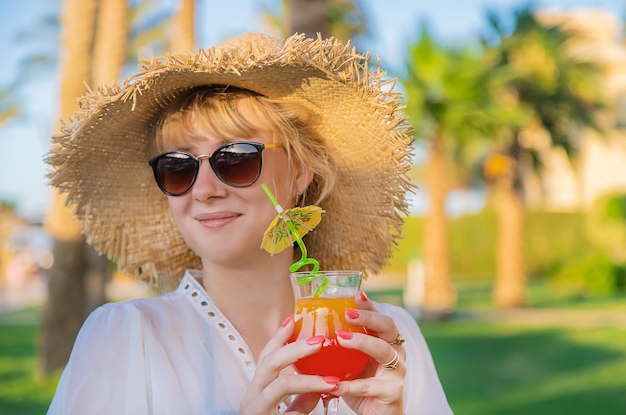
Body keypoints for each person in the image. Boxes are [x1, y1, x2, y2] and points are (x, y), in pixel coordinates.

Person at [46, 32, 453, 415]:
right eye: (178, 167)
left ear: (299, 174)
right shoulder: (125, 337)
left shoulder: (392, 339)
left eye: (236, 158)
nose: (204, 190)